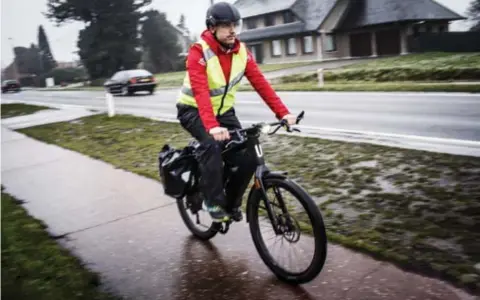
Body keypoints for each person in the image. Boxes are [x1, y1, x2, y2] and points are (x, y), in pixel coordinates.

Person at [176, 1, 296, 222]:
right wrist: (211, 126)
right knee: (211, 146)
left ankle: (231, 202)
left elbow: (261, 83)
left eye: (235, 25)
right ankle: (212, 200)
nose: (232, 30)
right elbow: (201, 92)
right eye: (225, 25)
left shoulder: (241, 52)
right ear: (212, 27)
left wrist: (283, 113)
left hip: (224, 112)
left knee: (248, 155)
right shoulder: (198, 52)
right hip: (192, 111)